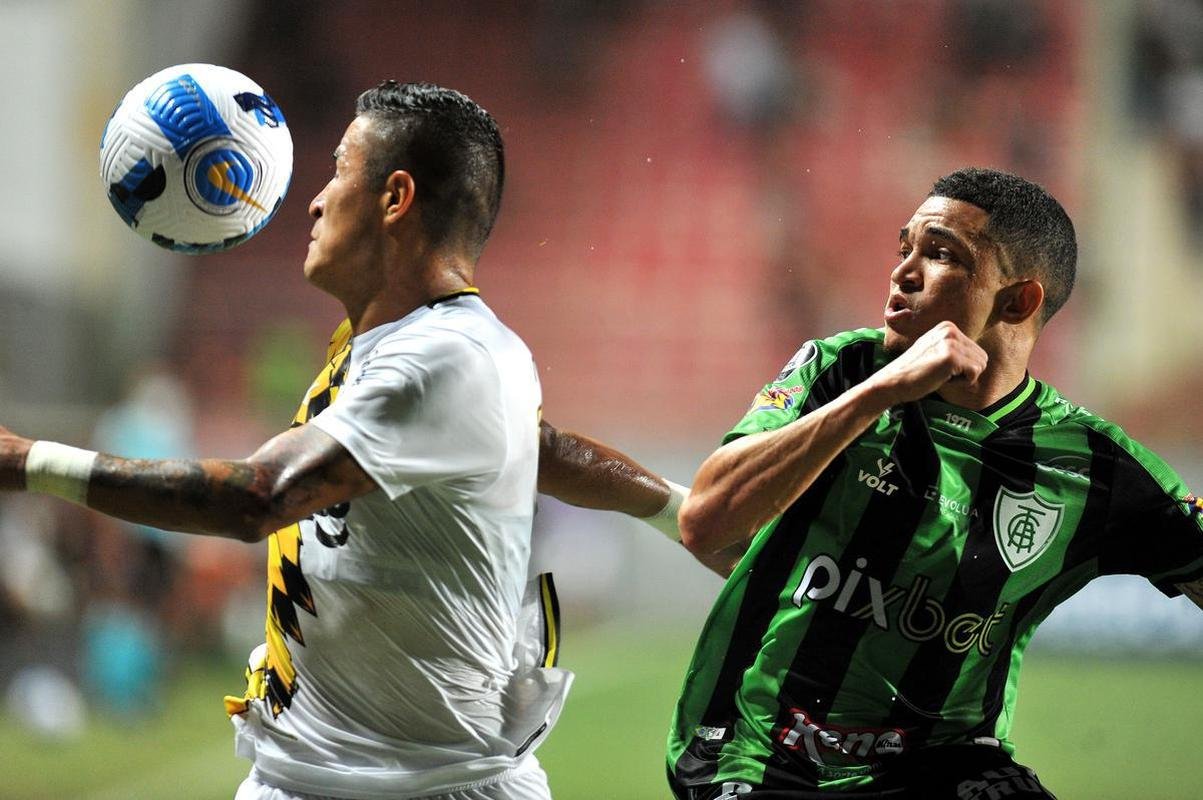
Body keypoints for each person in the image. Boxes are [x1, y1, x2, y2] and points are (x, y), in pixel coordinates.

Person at [0, 81, 687, 800]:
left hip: (424, 786)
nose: (315, 199)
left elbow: (259, 498)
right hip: (310, 773)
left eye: (336, 171)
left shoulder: (447, 356)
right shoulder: (397, 352)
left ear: (395, 198)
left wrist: (29, 462)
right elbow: (541, 446)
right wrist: (677, 508)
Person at [668, 167, 1203, 800]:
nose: (903, 272)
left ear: (1017, 301)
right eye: (905, 250)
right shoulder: (843, 372)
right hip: (757, 754)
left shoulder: (1095, 468)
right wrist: (881, 394)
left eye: (941, 254)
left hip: (944, 764)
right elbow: (705, 519)